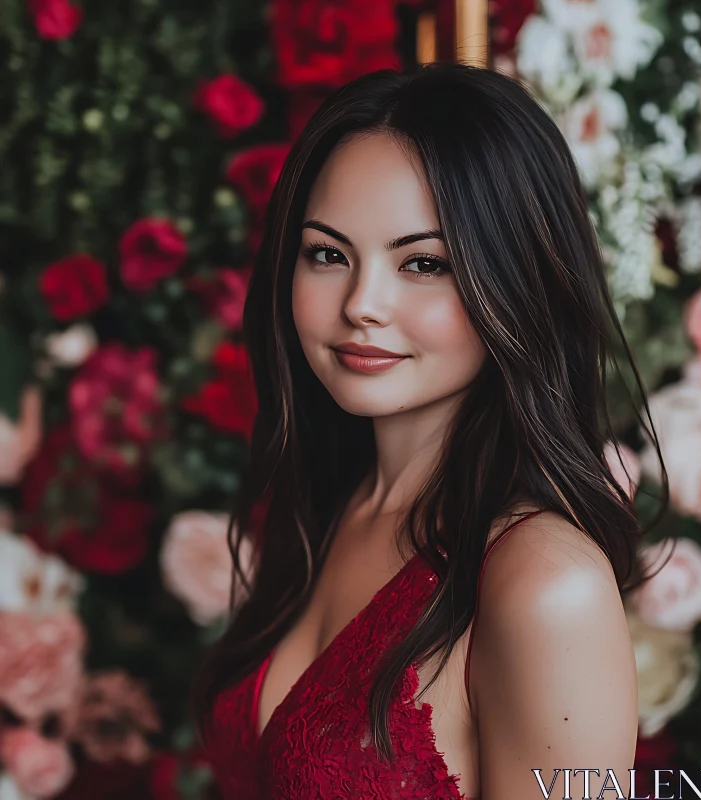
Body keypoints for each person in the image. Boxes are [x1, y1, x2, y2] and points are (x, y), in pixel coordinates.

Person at [191, 61, 668, 800]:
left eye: (423, 263)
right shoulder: (328, 502)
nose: (362, 304)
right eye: (327, 253)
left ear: (514, 281)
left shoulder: (544, 585)